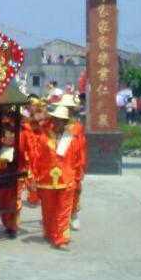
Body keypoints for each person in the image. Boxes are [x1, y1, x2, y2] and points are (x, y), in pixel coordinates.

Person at [32, 105, 85, 249]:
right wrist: (33, 177)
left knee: (64, 210)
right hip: (46, 180)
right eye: (56, 119)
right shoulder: (44, 137)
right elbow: (36, 158)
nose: (58, 122)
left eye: (61, 120)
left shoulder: (72, 138)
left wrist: (78, 179)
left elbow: (77, 160)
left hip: (67, 180)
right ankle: (50, 233)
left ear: (65, 121)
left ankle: (60, 238)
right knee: (48, 210)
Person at [58, 94, 88, 231]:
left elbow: (81, 147)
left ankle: (74, 214)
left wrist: (81, 166)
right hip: (58, 162)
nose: (68, 109)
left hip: (72, 163)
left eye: (70, 107)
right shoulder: (54, 124)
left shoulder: (77, 127)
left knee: (75, 189)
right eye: (66, 107)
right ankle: (60, 217)